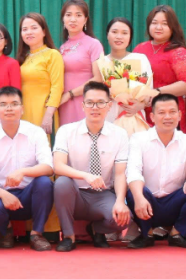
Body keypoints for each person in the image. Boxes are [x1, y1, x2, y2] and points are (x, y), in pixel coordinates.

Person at [125, 93, 186, 249]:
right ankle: (147, 234)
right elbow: (133, 170)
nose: (167, 117)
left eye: (172, 112)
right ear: (152, 116)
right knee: (134, 191)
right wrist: (139, 197)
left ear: (179, 115)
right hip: (146, 203)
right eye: (161, 112)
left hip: (174, 202)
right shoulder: (139, 139)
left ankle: (177, 234)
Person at [52, 81, 130, 251]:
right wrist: (85, 176)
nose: (95, 108)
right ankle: (69, 236)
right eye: (90, 103)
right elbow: (58, 166)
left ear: (109, 105)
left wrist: (120, 201)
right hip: (75, 194)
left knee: (124, 218)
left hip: (103, 194)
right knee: (61, 183)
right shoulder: (66, 131)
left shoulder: (120, 134)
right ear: (83, 106)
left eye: (100, 102)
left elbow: (120, 174)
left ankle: (97, 230)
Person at [0, 86, 54, 251]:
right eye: (3, 104)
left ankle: (36, 234)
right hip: (0, 196)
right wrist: (3, 194)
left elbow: (48, 167)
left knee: (44, 183)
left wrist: (23, 172)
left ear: (22, 109)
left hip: (29, 195)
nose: (9, 108)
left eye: (14, 104)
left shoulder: (36, 133)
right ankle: (6, 231)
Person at [134, 5, 186, 132]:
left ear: (172, 27)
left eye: (164, 24)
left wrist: (157, 92)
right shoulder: (140, 48)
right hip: (141, 112)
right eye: (154, 23)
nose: (158, 27)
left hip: (168, 113)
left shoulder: (179, 52)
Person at [92, 18, 153, 130]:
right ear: (107, 35)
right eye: (114, 32)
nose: (119, 37)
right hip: (108, 117)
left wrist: (140, 105)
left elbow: (148, 92)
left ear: (130, 37)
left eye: (124, 33)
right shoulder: (100, 62)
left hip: (134, 118)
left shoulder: (140, 59)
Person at [57, 0, 104, 126]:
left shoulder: (94, 44)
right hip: (64, 104)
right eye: (68, 15)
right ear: (63, 19)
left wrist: (70, 94)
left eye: (78, 15)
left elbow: (98, 78)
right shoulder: (62, 48)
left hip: (86, 101)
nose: (73, 19)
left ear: (85, 20)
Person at [17, 13, 64, 136]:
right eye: (24, 29)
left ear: (44, 32)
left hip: (43, 112)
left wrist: (48, 115)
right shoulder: (23, 59)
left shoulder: (52, 55)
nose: (29, 32)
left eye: (34, 28)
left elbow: (57, 87)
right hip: (23, 112)